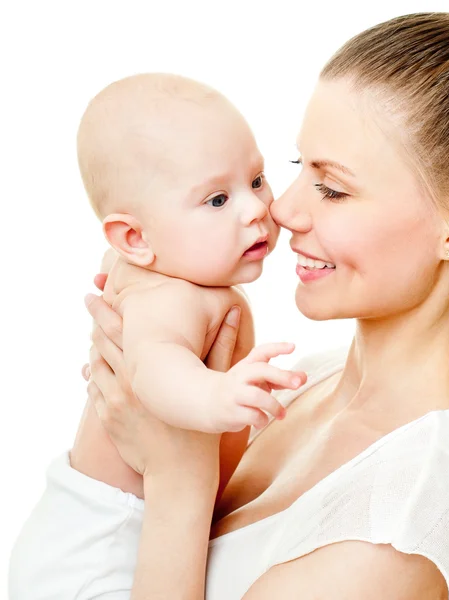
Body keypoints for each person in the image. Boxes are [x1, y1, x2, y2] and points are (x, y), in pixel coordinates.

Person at [9, 11, 449, 600]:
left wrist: (179, 479)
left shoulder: (396, 531)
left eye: (333, 188)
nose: (282, 211)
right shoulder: (306, 381)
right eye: (299, 168)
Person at [74, 73, 307, 498]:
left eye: (256, 180)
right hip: (106, 530)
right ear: (136, 238)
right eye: (217, 200)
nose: (256, 208)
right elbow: (154, 368)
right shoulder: (173, 297)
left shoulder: (152, 265)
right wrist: (215, 395)